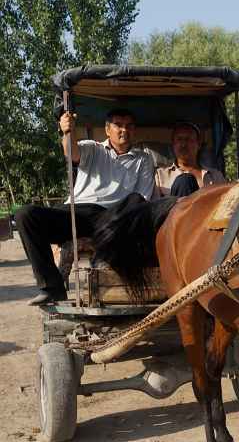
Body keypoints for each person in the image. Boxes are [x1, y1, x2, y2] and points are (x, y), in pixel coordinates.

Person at [16, 108, 155, 305]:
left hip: (112, 217)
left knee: (136, 201)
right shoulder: (93, 148)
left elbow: (143, 198)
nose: (124, 130)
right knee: (25, 215)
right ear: (107, 130)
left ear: (135, 130)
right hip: (77, 213)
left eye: (129, 126)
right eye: (118, 125)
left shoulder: (143, 159)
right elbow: (71, 152)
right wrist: (67, 132)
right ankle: (51, 287)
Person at [155, 122, 225, 198]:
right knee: (185, 181)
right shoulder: (160, 175)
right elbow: (155, 207)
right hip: (175, 209)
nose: (183, 144)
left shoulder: (215, 176)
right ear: (173, 144)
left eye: (188, 139)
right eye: (179, 139)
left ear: (198, 145)